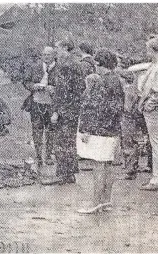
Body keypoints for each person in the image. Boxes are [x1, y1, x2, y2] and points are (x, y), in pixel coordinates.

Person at [76, 51, 124, 214]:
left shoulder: (102, 82)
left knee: (98, 166)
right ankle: (106, 201)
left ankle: (95, 202)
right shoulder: (116, 80)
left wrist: (87, 129)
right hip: (113, 130)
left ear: (100, 64)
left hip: (100, 130)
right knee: (108, 165)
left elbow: (97, 107)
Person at [42, 39, 86, 185]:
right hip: (72, 110)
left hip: (66, 111)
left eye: (58, 48)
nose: (56, 51)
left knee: (62, 142)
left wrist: (57, 112)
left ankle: (62, 174)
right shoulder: (75, 64)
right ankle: (70, 173)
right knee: (69, 142)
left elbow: (64, 92)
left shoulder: (67, 66)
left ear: (66, 48)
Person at [22, 46, 56, 167]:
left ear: (54, 55)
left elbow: (64, 85)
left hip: (52, 104)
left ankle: (48, 156)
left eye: (49, 54)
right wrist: (34, 86)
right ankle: (38, 156)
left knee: (51, 130)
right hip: (36, 103)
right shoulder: (35, 67)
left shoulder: (58, 68)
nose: (46, 57)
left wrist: (55, 89)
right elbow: (26, 82)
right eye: (44, 54)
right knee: (37, 129)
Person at [138, 36, 158, 191]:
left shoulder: (156, 67)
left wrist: (145, 103)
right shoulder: (153, 65)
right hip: (151, 105)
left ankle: (156, 178)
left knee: (155, 142)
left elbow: (151, 89)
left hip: (152, 107)